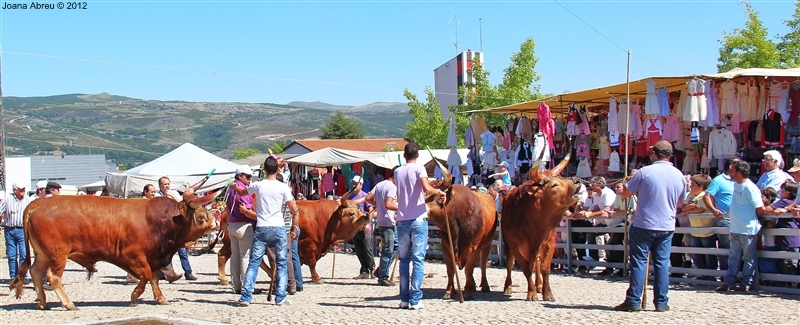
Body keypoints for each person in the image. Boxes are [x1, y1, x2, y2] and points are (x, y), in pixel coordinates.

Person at [615, 140, 685, 312]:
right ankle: (661, 301)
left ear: (654, 153)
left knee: (639, 261)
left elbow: (625, 193)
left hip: (644, 222)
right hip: (667, 224)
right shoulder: (679, 175)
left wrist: (623, 187)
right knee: (661, 263)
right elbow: (681, 201)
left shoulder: (645, 172)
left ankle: (633, 299)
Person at [231, 156, 298, 306]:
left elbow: (242, 192)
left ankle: (246, 297)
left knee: (254, 263)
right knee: (281, 263)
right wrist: (294, 223)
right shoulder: (283, 187)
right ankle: (280, 298)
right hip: (279, 228)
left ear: (265, 170)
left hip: (262, 227)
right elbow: (294, 209)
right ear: (277, 169)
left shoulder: (258, 185)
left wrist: (235, 187)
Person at [395, 142, 446, 310]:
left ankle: (404, 299)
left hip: (402, 219)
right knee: (417, 260)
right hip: (418, 219)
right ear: (417, 156)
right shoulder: (419, 169)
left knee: (404, 261)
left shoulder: (397, 171)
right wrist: (438, 191)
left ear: (404, 155)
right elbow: (425, 188)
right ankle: (415, 300)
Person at [716, 160, 764, 292]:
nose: (730, 174)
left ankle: (746, 282)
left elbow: (759, 208)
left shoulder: (750, 187)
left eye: (733, 171)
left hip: (747, 228)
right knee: (734, 257)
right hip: (736, 227)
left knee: (747, 258)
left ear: (740, 172)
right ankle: (730, 281)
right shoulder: (736, 185)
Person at [126, 184, 183, 284]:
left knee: (152, 255)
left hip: (149, 232)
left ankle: (170, 274)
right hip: (142, 232)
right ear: (145, 192)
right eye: (151, 192)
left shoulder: (151, 202)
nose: (153, 194)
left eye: (154, 192)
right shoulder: (141, 202)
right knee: (149, 254)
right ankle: (170, 275)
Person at [156, 176, 197, 281]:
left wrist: (172, 196)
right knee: (167, 252)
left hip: (176, 227)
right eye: (165, 184)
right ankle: (170, 274)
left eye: (168, 184)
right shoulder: (156, 195)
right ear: (160, 185)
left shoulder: (173, 193)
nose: (167, 186)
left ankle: (188, 273)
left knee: (182, 250)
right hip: (165, 227)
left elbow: (183, 204)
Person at [702, 157, 739, 272]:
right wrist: (713, 210)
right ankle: (725, 274)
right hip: (725, 219)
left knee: (737, 249)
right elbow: (707, 196)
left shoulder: (739, 180)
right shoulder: (718, 180)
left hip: (739, 219)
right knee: (726, 249)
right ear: (731, 167)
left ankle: (735, 275)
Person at [574, 176, 617, 275]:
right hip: (605, 223)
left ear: (599, 185)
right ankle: (594, 257)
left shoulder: (608, 193)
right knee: (591, 232)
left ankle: (615, 268)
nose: (590, 186)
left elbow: (606, 209)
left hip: (615, 223)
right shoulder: (597, 195)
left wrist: (590, 214)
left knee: (612, 245)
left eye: (593, 184)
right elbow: (596, 208)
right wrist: (585, 212)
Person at [225, 166, 258, 294]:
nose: (250, 179)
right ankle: (247, 286)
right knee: (245, 257)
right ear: (240, 176)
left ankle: (236, 286)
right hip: (244, 225)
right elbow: (246, 209)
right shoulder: (242, 190)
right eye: (248, 177)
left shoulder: (230, 188)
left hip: (232, 224)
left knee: (235, 257)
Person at [365, 167, 399, 286]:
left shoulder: (380, 184)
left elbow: (368, 198)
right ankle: (383, 276)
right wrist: (401, 209)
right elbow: (388, 204)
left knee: (394, 246)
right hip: (388, 220)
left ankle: (382, 270)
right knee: (388, 249)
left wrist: (378, 205)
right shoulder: (392, 187)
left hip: (381, 219)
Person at [679, 174, 717, 276]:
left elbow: (700, 209)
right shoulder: (690, 195)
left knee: (709, 253)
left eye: (693, 185)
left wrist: (688, 210)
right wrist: (690, 207)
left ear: (701, 186)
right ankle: (701, 273)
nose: (690, 187)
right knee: (695, 253)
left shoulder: (705, 195)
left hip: (707, 230)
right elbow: (683, 207)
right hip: (695, 230)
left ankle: (711, 275)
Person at [0, 182, 34, 280]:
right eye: (20, 189)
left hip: (23, 230)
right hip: (9, 229)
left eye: (24, 188)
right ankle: (13, 276)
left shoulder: (28, 200)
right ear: (15, 190)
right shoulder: (7, 200)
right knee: (12, 255)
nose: (23, 190)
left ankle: (23, 275)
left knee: (24, 254)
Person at [349, 175, 375, 279]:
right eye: (353, 183)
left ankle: (372, 268)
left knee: (367, 249)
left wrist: (368, 222)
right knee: (359, 250)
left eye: (356, 184)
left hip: (364, 226)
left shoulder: (365, 196)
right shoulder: (350, 197)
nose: (354, 185)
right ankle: (364, 270)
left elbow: (371, 210)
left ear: (361, 184)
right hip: (354, 228)